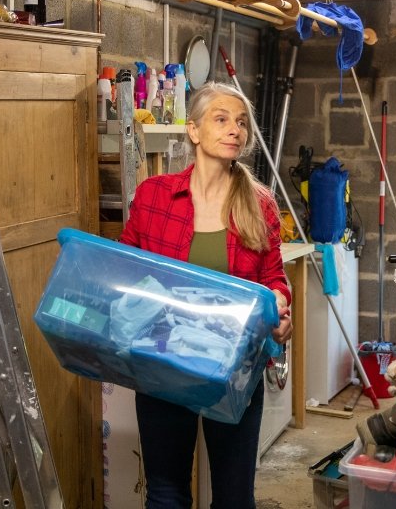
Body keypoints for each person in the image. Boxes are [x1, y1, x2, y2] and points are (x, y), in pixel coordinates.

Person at [119, 81, 293, 509]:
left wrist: (280, 305)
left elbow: (274, 277)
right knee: (166, 493)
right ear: (194, 131)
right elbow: (125, 271)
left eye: (241, 123)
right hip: (163, 364)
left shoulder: (260, 204)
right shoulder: (154, 196)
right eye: (221, 119)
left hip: (234, 369)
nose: (235, 129)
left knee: (234, 498)